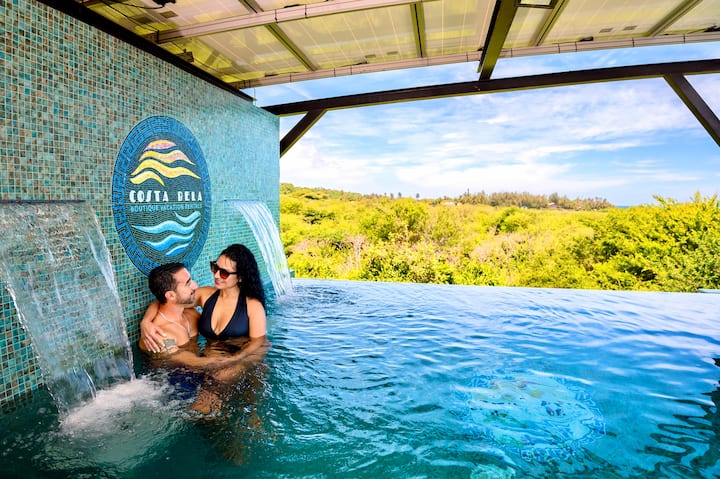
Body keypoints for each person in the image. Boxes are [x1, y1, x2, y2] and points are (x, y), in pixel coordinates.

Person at [141, 244, 267, 357]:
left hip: (239, 362)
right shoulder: (205, 295)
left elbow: (258, 344)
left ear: (240, 277)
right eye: (215, 267)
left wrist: (235, 361)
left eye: (224, 273)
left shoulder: (253, 306)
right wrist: (146, 322)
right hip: (209, 361)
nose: (216, 275)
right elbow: (168, 300)